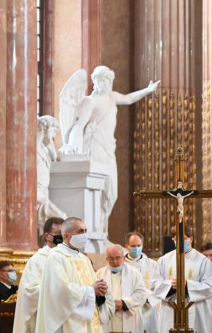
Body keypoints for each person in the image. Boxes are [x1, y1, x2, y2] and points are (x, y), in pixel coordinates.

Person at [59, 67, 160, 234]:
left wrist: (148, 90)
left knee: (112, 193)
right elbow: (79, 125)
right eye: (103, 80)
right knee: (98, 190)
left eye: (109, 81)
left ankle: (101, 229)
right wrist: (72, 144)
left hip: (108, 147)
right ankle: (95, 232)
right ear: (96, 81)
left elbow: (128, 99)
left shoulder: (112, 97)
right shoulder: (90, 101)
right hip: (95, 146)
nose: (107, 84)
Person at [123, 231, 161, 333]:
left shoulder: (152, 265)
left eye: (138, 246)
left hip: (148, 309)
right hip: (129, 311)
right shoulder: (122, 265)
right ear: (127, 246)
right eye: (133, 246)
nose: (136, 249)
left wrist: (144, 298)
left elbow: (159, 287)